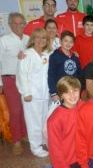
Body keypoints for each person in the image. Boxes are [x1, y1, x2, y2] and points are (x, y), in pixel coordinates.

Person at [16, 28, 51, 157]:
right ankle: (35, 147)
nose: (41, 40)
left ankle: (43, 142)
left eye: (44, 38)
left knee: (44, 121)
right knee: (33, 122)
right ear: (33, 39)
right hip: (31, 96)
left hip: (44, 95)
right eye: (38, 37)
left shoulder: (47, 55)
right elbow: (21, 75)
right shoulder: (26, 54)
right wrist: (26, 93)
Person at [0, 12, 29, 155]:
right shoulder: (3, 40)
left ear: (25, 24)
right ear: (10, 24)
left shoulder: (29, 39)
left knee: (26, 109)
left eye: (21, 23)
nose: (18, 26)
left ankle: (24, 135)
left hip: (26, 79)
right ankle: (16, 141)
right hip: (9, 79)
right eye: (15, 23)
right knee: (15, 110)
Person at [47, 76, 83, 168]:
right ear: (61, 95)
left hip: (84, 157)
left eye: (75, 91)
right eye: (67, 92)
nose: (72, 95)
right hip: (68, 162)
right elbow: (55, 150)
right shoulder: (55, 119)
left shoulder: (83, 107)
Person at [48, 31, 82, 102]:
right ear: (60, 41)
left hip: (73, 90)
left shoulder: (75, 57)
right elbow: (51, 75)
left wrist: (79, 89)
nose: (68, 44)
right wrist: (53, 92)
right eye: (66, 41)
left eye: (71, 42)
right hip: (60, 91)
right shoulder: (54, 56)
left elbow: (79, 74)